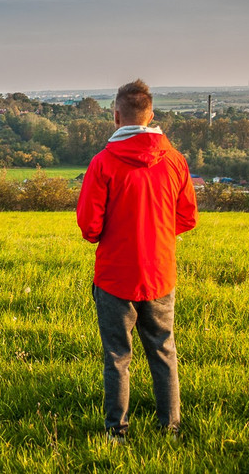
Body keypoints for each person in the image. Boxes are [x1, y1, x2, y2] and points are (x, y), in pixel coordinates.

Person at [76, 79, 198, 444]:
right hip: (160, 274)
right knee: (163, 353)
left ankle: (116, 433)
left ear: (116, 117)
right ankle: (171, 430)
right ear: (151, 116)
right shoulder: (175, 160)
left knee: (117, 357)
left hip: (115, 277)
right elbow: (187, 217)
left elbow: (89, 227)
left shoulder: (103, 163)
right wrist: (160, 234)